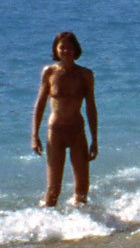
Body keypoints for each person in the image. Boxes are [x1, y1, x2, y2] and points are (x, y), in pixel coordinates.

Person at [32, 31, 98, 206]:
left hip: (77, 131)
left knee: (82, 188)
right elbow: (40, 104)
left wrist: (94, 140)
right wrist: (34, 135)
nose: (65, 51)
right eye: (62, 47)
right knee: (53, 189)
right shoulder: (50, 72)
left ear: (75, 49)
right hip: (56, 132)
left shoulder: (85, 75)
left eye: (69, 48)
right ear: (56, 49)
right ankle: (49, 226)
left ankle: (83, 226)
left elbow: (91, 107)